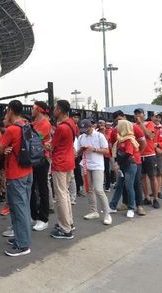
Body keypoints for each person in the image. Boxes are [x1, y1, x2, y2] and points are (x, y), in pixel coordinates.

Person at [0, 100, 33, 256]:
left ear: (10, 110)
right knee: (23, 207)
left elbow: (0, 150)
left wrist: (5, 149)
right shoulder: (26, 125)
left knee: (19, 209)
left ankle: (23, 244)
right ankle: (21, 237)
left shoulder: (12, 129)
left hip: (15, 173)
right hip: (27, 171)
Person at [47, 100, 78, 240]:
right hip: (69, 160)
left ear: (59, 110)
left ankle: (65, 228)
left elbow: (52, 146)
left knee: (61, 196)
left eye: (55, 108)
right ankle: (68, 223)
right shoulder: (71, 123)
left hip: (60, 162)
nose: (53, 110)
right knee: (64, 194)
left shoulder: (62, 127)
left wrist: (46, 144)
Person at [112, 110, 147, 216]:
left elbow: (143, 143)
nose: (119, 122)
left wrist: (137, 154)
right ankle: (126, 203)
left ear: (124, 117)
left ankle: (139, 206)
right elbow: (114, 145)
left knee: (135, 183)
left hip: (134, 160)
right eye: (116, 121)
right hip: (122, 161)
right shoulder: (115, 130)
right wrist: (115, 161)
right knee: (122, 184)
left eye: (120, 119)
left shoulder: (134, 127)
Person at [77, 119, 112, 225]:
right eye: (82, 129)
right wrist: (82, 150)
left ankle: (107, 213)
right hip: (86, 165)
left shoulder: (99, 136)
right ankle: (93, 211)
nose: (84, 131)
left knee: (99, 190)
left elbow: (106, 151)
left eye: (86, 129)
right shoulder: (81, 137)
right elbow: (77, 153)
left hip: (97, 166)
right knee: (89, 190)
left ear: (91, 127)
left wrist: (94, 149)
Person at [109, 120, 140, 218]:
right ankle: (112, 206)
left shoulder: (129, 139)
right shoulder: (120, 139)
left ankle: (131, 208)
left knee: (129, 186)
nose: (117, 127)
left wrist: (118, 163)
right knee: (119, 186)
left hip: (130, 165)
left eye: (119, 126)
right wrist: (118, 163)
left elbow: (128, 154)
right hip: (122, 165)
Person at [30, 101, 51, 232]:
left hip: (42, 158)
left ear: (38, 109)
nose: (32, 110)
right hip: (32, 159)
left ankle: (43, 218)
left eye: (33, 108)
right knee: (31, 188)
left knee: (42, 188)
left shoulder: (45, 123)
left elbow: (35, 138)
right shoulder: (33, 123)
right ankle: (33, 215)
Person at [133, 108, 160, 209]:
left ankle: (156, 198)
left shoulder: (150, 124)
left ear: (144, 115)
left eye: (139, 114)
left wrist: (141, 124)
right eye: (135, 114)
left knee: (152, 177)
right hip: (139, 154)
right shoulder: (133, 125)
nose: (137, 116)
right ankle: (147, 197)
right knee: (142, 177)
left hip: (149, 154)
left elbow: (150, 135)